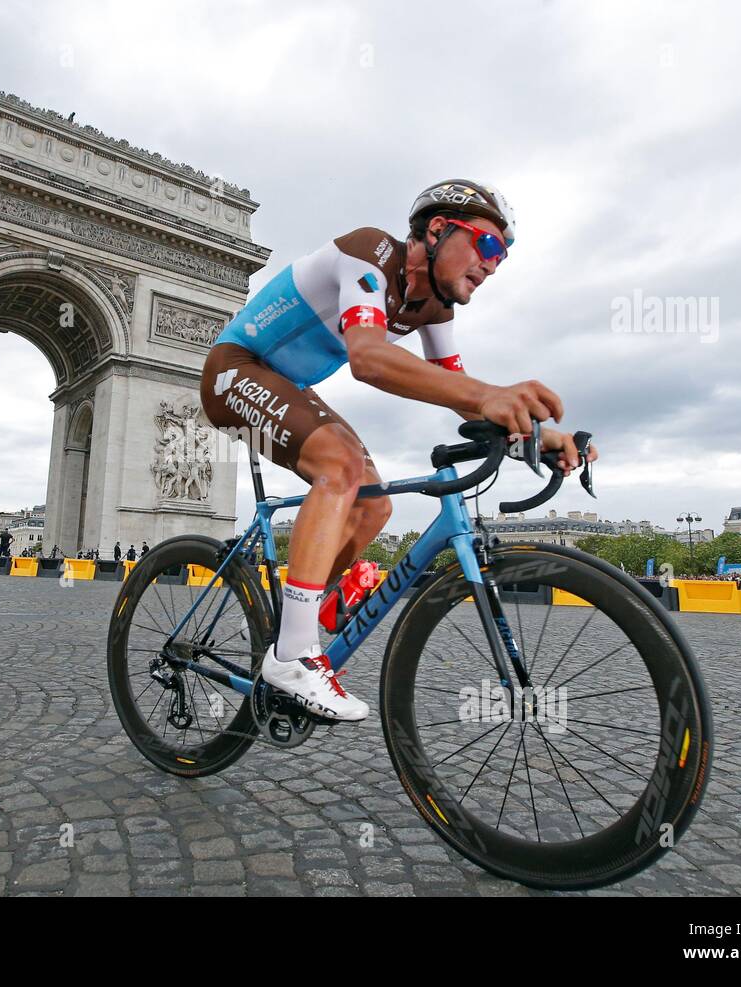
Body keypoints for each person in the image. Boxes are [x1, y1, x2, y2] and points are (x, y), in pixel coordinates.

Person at [199, 180, 597, 721]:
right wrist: (492, 396)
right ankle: (293, 654)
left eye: (502, 256)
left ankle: (305, 616)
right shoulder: (370, 253)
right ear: (437, 229)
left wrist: (538, 433)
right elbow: (368, 358)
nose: (493, 265)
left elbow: (460, 395)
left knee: (374, 503)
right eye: (487, 245)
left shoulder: (435, 308)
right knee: (339, 467)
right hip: (235, 369)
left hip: (285, 383)